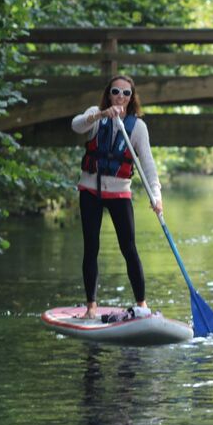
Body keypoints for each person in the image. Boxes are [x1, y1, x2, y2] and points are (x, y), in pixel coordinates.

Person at [71, 75, 162, 319]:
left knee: (129, 248)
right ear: (108, 94)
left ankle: (142, 304)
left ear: (132, 98)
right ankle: (91, 306)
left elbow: (148, 165)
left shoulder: (138, 127)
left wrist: (156, 195)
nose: (120, 96)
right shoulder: (95, 115)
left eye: (126, 93)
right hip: (90, 191)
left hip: (119, 193)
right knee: (91, 247)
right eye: (116, 91)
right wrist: (101, 115)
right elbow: (76, 125)